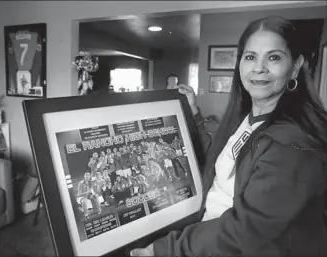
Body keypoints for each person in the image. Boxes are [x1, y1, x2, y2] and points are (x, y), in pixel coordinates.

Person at [131, 16, 327, 257]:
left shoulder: (292, 145)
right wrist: (194, 115)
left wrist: (162, 250)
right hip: (202, 235)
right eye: (250, 56)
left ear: (295, 65)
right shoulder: (252, 117)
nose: (259, 67)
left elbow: (246, 231)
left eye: (274, 57)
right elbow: (221, 163)